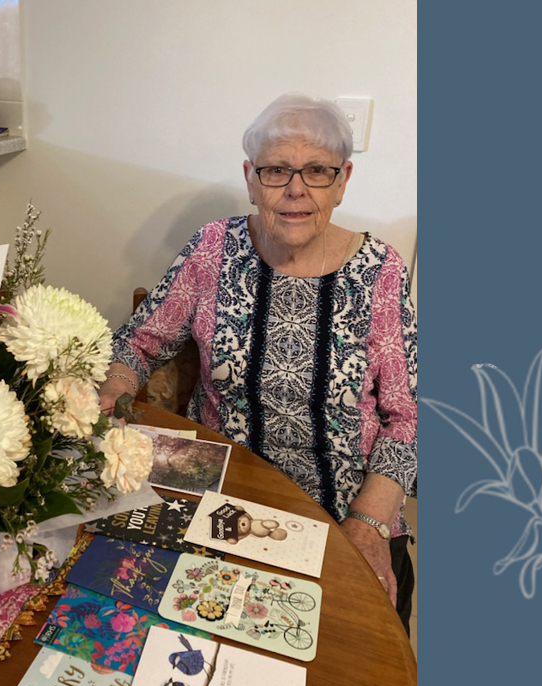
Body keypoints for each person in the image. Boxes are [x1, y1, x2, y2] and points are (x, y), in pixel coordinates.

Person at [98, 94, 417, 630]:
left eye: (317, 170)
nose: (296, 190)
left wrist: (366, 524)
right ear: (250, 178)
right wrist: (106, 398)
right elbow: (138, 341)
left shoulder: (381, 269)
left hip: (344, 510)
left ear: (343, 181)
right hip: (220, 495)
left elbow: (409, 416)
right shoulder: (213, 248)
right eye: (276, 171)